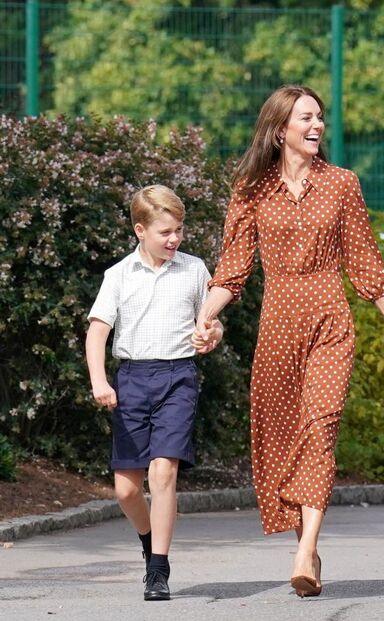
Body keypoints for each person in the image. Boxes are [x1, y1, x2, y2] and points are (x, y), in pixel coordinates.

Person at [194, 85, 384, 598]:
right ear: (279, 129)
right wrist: (205, 317)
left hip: (330, 319)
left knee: (321, 427)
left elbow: (363, 257)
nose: (317, 126)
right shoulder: (251, 190)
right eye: (306, 118)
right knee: (284, 435)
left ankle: (305, 550)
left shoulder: (341, 183)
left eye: (320, 118)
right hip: (277, 325)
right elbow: (233, 268)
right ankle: (306, 545)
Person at [85, 185, 223, 601]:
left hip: (178, 377)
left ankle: (158, 570)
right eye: (165, 232)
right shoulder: (118, 275)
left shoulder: (194, 270)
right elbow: (97, 333)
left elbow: (212, 322)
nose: (174, 238)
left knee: (163, 471)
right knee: (126, 489)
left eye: (179, 229)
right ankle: (149, 543)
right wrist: (99, 381)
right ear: (140, 230)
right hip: (131, 380)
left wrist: (211, 334)